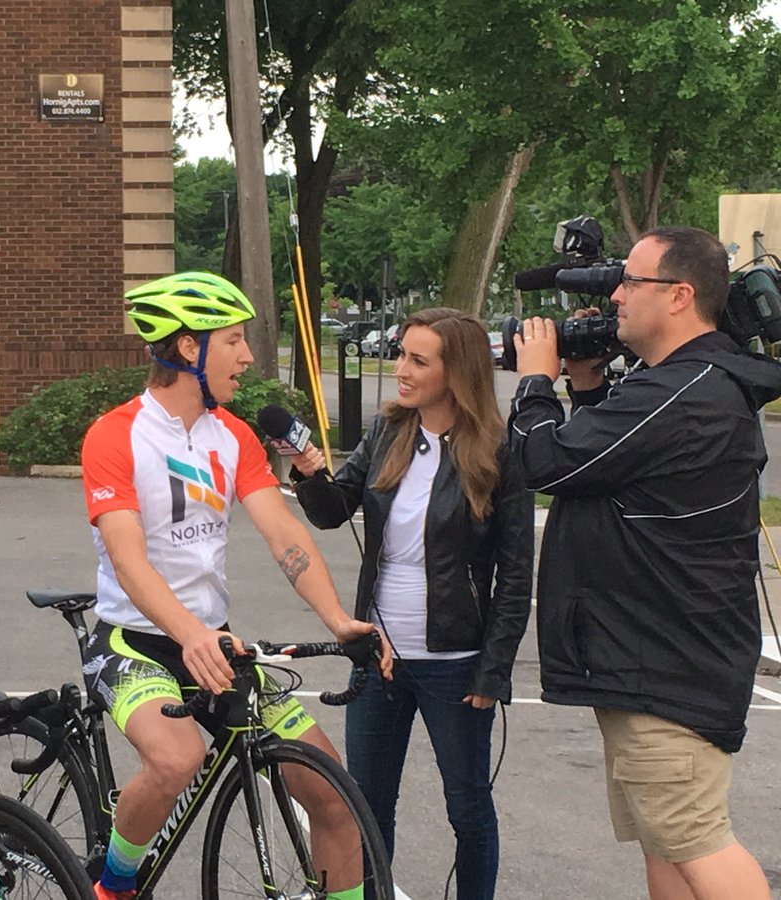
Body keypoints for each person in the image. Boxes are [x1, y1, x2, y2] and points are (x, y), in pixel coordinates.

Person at [80, 271, 392, 900]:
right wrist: (190, 633)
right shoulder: (115, 434)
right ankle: (112, 884)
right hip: (133, 642)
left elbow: (286, 537)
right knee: (176, 759)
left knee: (334, 794)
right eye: (234, 340)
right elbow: (129, 559)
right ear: (189, 347)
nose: (248, 356)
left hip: (214, 642)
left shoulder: (234, 435)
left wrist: (338, 620)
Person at [509, 226, 779, 900]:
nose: (617, 295)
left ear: (681, 296)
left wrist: (536, 381)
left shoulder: (684, 390)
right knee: (666, 847)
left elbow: (544, 462)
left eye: (631, 281)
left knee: (694, 839)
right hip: (650, 655)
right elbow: (613, 469)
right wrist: (586, 388)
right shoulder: (674, 387)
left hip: (667, 662)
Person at [289, 307, 534, 900]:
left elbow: (517, 574)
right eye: (401, 353)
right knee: (366, 807)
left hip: (456, 663)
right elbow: (331, 512)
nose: (400, 368)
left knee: (469, 810)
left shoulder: (500, 450)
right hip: (378, 656)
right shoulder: (387, 431)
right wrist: (306, 472)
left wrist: (493, 668)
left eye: (417, 360)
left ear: (458, 373)